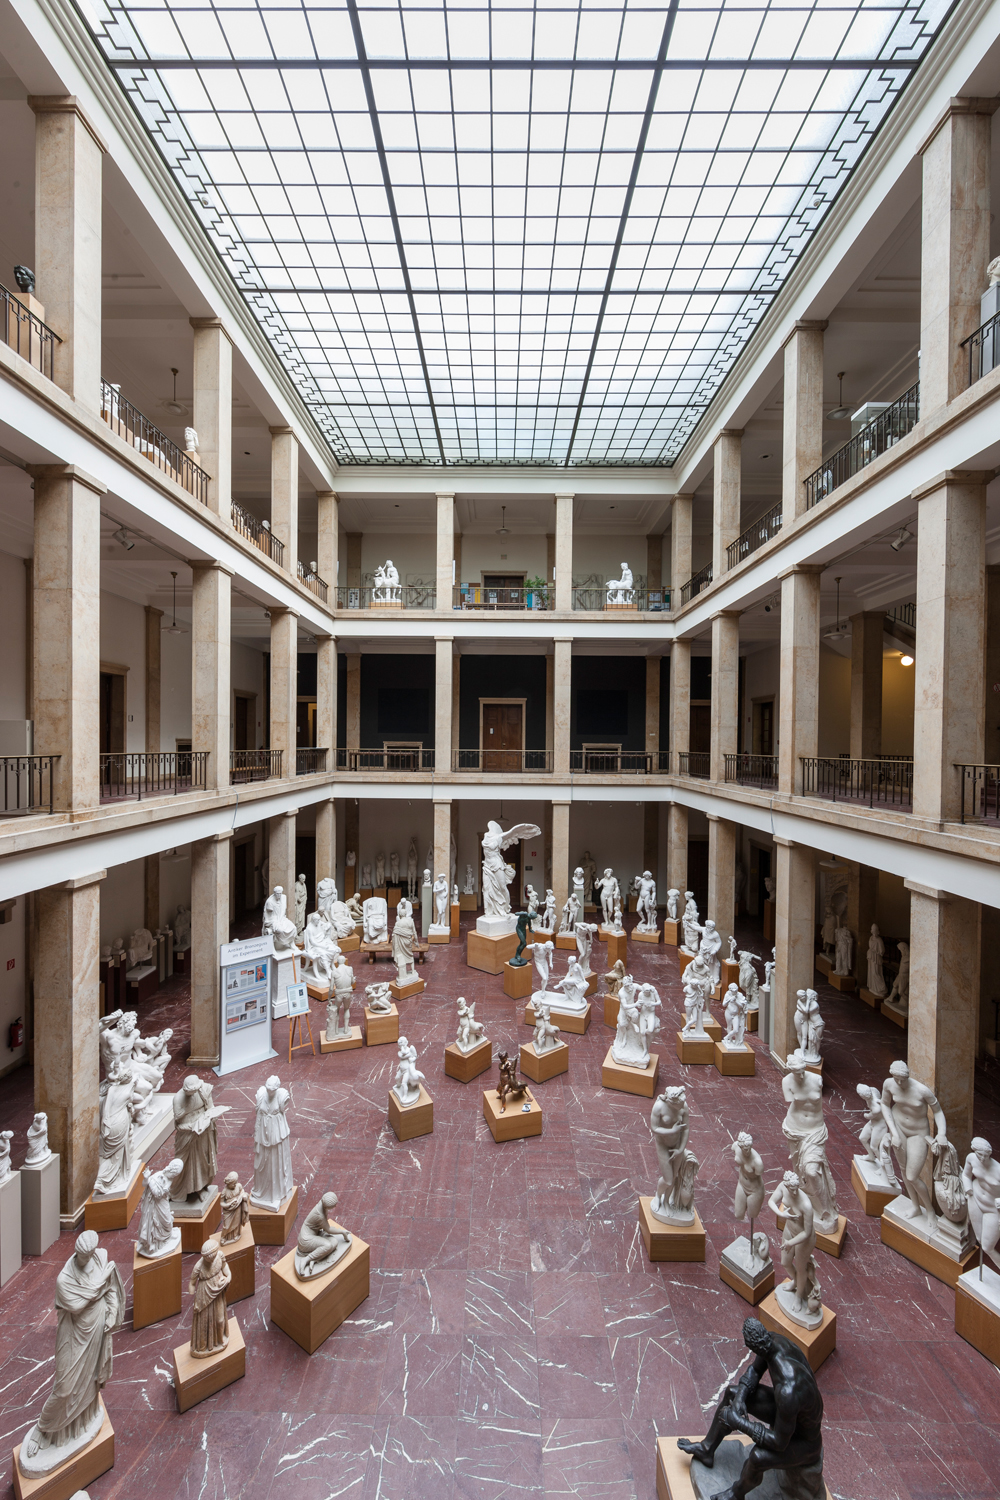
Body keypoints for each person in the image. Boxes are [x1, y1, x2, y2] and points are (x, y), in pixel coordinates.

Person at [678, 1317, 824, 1498]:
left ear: (753, 1346)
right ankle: (706, 1449)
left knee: (758, 1457)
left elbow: (779, 1442)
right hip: (787, 1411)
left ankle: (735, 1494)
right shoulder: (772, 1341)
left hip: (804, 1442)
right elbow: (754, 1371)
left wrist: (739, 1423)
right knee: (732, 1392)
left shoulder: (788, 1391)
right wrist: (740, 1398)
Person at [19, 1231, 125, 1476]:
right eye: (82, 1255)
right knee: (65, 1387)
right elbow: (77, 1306)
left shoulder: (100, 1259)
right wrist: (100, 1284)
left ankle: (81, 1424)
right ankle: (43, 1428)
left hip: (96, 1328)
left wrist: (111, 1311)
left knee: (89, 1382)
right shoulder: (64, 1279)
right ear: (77, 1252)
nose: (87, 1258)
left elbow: (110, 1291)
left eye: (89, 1254)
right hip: (73, 1335)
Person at [251, 1076, 293, 1211]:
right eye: (268, 1088)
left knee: (276, 1162)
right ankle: (263, 1192)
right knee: (262, 1162)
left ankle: (277, 1193)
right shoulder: (261, 1094)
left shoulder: (282, 1096)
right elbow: (258, 1117)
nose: (269, 1091)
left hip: (276, 1134)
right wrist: (257, 1135)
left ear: (277, 1088)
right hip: (263, 1134)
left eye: (272, 1089)